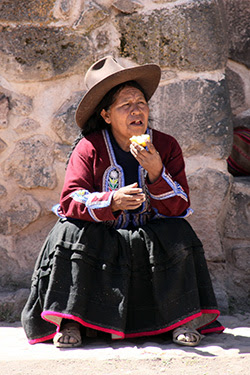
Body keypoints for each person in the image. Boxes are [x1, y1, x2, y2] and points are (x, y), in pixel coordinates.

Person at [21, 56, 224, 348]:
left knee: (179, 231)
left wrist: (156, 172)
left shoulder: (165, 145)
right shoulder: (89, 147)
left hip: (146, 238)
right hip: (102, 238)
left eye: (141, 103)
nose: (136, 110)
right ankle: (70, 321)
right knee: (67, 232)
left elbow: (180, 205)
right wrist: (112, 201)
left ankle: (182, 320)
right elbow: (70, 199)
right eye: (125, 105)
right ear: (106, 115)